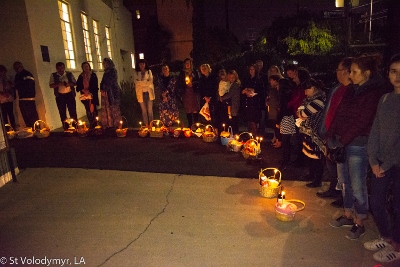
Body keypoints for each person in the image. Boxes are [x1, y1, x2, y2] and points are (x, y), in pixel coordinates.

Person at [327, 54, 385, 240]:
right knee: (345, 182)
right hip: (343, 142)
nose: (350, 75)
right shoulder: (351, 90)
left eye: (354, 71)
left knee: (358, 184)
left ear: (367, 73)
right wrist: (331, 136)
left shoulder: (374, 93)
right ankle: (348, 214)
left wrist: (342, 140)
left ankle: (359, 222)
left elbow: (363, 120)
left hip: (358, 145)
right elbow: (340, 113)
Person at [363, 54, 400, 263]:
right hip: (381, 164)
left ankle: (398, 245)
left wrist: (384, 164)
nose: (398, 76)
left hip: (395, 164)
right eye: (394, 71)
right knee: (376, 202)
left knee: (398, 206)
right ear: (388, 74)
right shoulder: (385, 99)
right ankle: (387, 237)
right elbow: (375, 130)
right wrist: (373, 160)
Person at [316, 57, 353, 207]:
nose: (336, 72)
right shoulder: (337, 89)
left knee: (343, 168)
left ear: (346, 71)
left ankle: (345, 197)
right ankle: (334, 189)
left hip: (341, 136)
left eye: (338, 69)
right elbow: (329, 110)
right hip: (330, 133)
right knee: (331, 164)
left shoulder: (352, 90)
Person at [297, 78, 326, 188]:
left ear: (313, 88)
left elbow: (303, 113)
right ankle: (311, 175)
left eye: (306, 90)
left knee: (316, 157)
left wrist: (301, 112)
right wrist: (301, 112)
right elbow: (299, 111)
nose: (305, 93)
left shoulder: (318, 101)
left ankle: (317, 180)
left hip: (315, 134)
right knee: (309, 155)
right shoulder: (309, 100)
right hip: (309, 132)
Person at [49, 62, 77, 129]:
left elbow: (75, 83)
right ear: (56, 69)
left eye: (61, 68)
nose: (60, 70)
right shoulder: (53, 75)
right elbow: (51, 85)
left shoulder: (69, 74)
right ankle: (66, 128)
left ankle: (75, 127)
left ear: (64, 68)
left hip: (69, 94)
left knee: (72, 111)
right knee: (62, 112)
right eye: (58, 68)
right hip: (60, 96)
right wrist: (58, 84)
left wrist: (69, 84)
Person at [276, 78, 296, 170]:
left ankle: (285, 161)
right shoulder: (289, 93)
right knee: (286, 141)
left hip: (285, 118)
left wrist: (278, 121)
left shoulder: (283, 95)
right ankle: (286, 159)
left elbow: (282, 110)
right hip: (289, 117)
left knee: (285, 141)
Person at [13, 61, 39, 128]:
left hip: (29, 98)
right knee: (25, 115)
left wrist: (17, 86)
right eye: (15, 68)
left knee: (32, 115)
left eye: (17, 68)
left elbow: (29, 85)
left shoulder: (27, 74)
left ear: (21, 66)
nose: (16, 70)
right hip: (21, 98)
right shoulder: (17, 76)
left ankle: (37, 129)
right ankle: (29, 129)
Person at [99, 58, 121, 128]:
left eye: (106, 63)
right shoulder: (105, 72)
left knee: (114, 107)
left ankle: (117, 124)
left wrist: (106, 87)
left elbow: (112, 81)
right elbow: (102, 81)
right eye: (103, 64)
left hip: (112, 92)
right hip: (106, 92)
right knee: (108, 108)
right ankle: (110, 123)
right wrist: (102, 88)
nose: (104, 65)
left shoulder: (112, 71)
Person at [76, 62, 99, 128]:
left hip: (92, 94)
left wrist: (89, 91)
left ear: (89, 67)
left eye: (87, 66)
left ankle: (96, 123)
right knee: (88, 109)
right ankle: (91, 123)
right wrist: (83, 90)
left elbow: (95, 85)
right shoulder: (81, 76)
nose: (85, 68)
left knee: (93, 108)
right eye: (84, 67)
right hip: (84, 96)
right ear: (82, 68)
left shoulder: (93, 75)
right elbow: (78, 86)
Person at [241, 64, 263, 136]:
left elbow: (260, 90)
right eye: (250, 69)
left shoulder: (259, 79)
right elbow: (242, 88)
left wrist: (252, 91)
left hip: (255, 103)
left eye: (253, 69)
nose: (251, 71)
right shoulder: (247, 79)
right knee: (249, 121)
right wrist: (245, 91)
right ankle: (250, 136)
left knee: (253, 120)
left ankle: (255, 136)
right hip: (247, 102)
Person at [178, 58, 200, 127]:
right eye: (186, 63)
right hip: (186, 92)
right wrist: (185, 84)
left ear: (191, 64)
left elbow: (198, 81)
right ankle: (190, 125)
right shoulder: (182, 73)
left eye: (189, 63)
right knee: (188, 109)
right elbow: (180, 82)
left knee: (195, 108)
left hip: (193, 92)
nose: (187, 64)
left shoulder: (194, 72)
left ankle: (196, 125)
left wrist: (192, 84)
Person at [133, 59, 155, 126]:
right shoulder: (136, 72)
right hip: (141, 94)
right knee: (144, 111)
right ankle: (146, 125)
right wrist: (145, 82)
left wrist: (141, 83)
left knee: (150, 110)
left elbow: (150, 82)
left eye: (143, 64)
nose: (142, 65)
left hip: (148, 93)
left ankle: (151, 125)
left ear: (145, 64)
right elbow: (136, 82)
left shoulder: (149, 71)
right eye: (140, 64)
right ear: (138, 65)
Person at [268, 74, 283, 148]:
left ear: (275, 81)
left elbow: (278, 100)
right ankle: (277, 140)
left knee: (278, 126)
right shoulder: (273, 89)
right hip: (273, 109)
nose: (270, 82)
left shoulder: (278, 90)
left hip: (276, 110)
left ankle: (278, 141)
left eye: (271, 80)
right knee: (275, 126)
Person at [0, 65, 16, 129]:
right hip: (2, 99)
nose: (3, 74)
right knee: (4, 115)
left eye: (4, 72)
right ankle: (6, 129)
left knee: (11, 114)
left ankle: (14, 127)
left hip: (9, 98)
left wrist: (10, 89)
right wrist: (3, 93)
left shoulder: (8, 78)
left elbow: (13, 86)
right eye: (2, 72)